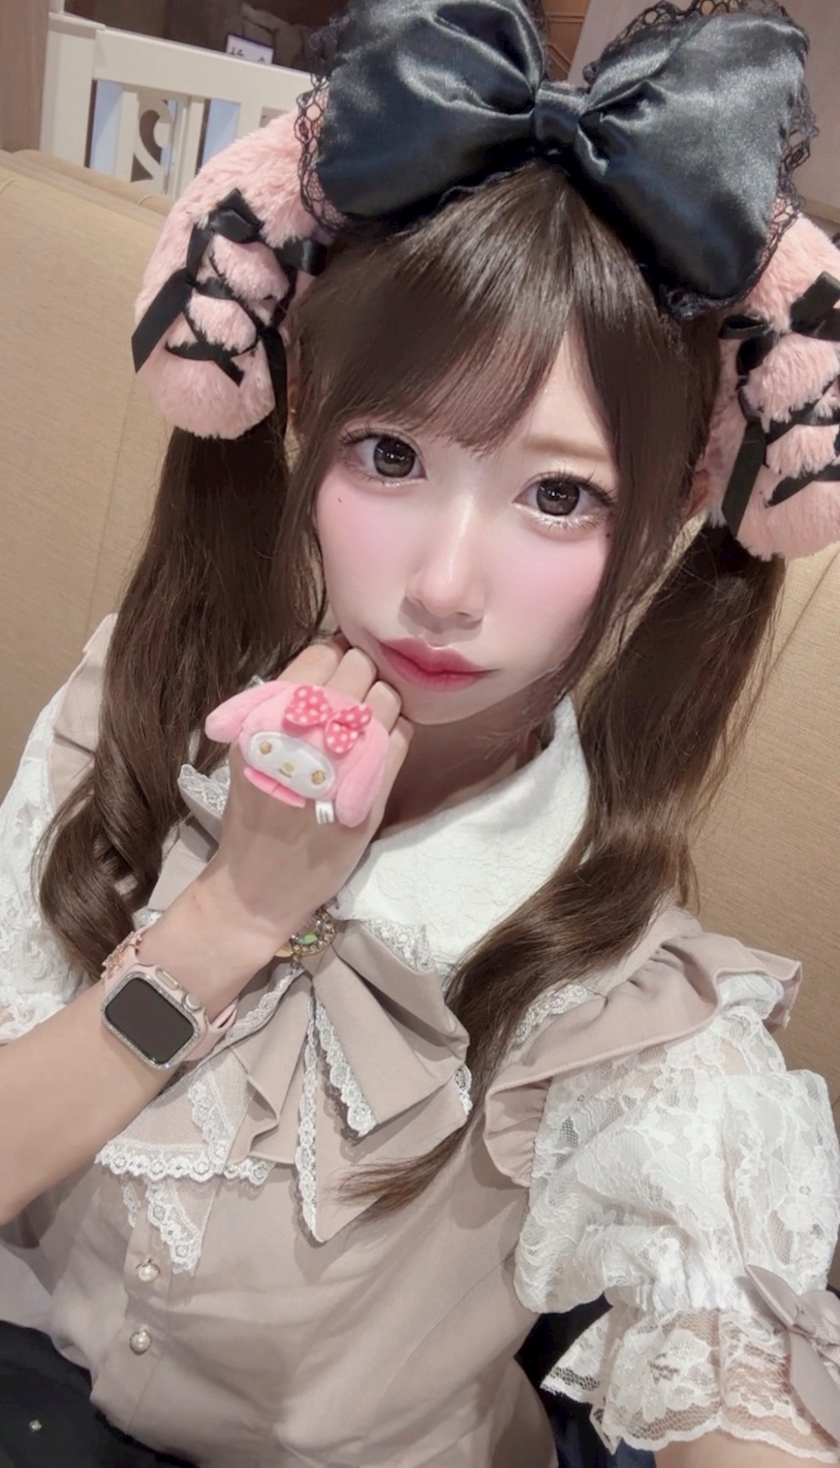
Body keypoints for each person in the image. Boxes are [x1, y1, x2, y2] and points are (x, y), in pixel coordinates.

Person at [2, 0, 840, 1465]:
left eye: (558, 496)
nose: (445, 587)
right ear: (297, 418)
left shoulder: (629, 1000)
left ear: (665, 514)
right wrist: (231, 915)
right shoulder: (128, 703)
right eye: (390, 454)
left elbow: (733, 1383)